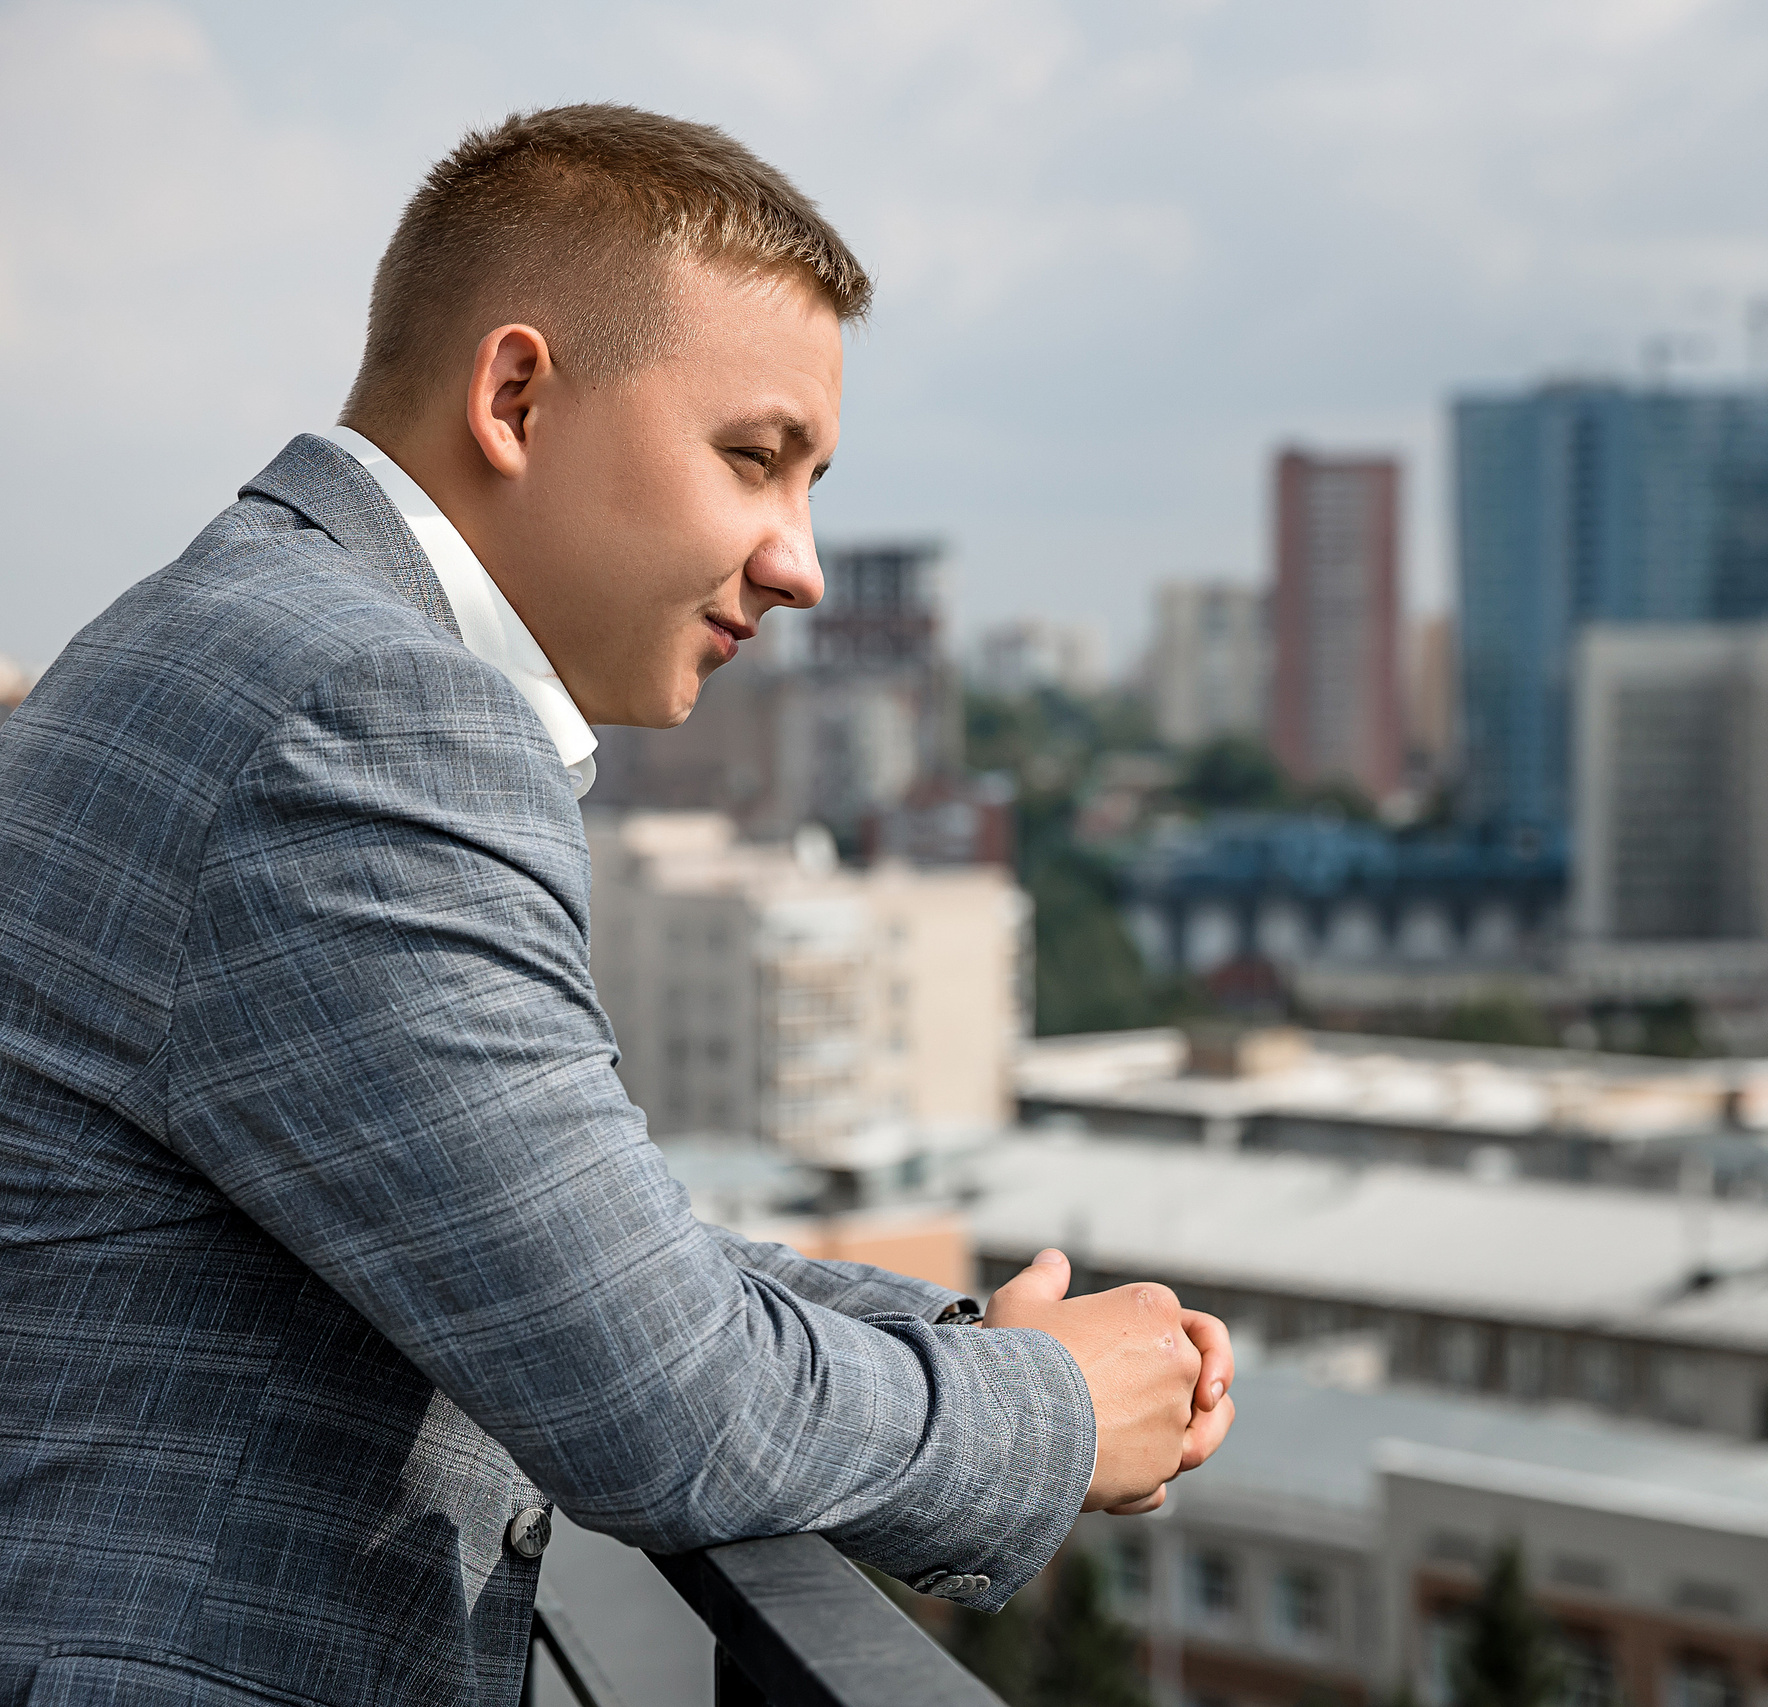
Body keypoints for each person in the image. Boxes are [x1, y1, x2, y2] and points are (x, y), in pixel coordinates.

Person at [0, 103, 1233, 1705]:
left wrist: (968, 1340)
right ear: (515, 395)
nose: (799, 562)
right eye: (753, 457)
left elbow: (570, 1245)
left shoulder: (225, 630)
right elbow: (665, 1406)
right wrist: (1048, 1415)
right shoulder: (367, 712)